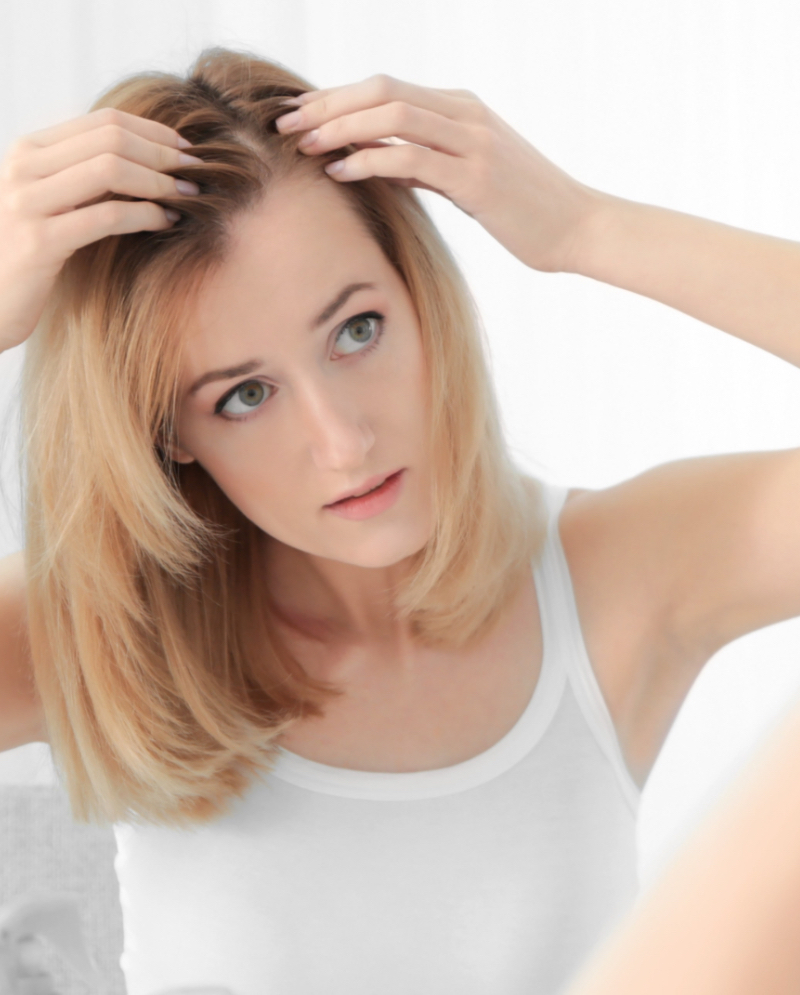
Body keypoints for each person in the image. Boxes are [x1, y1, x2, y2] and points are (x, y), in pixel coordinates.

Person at [1, 44, 799, 995]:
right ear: (168, 433)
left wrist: (588, 227)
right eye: (245, 395)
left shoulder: (613, 579)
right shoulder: (99, 630)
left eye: (357, 330)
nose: (343, 442)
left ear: (421, 300)